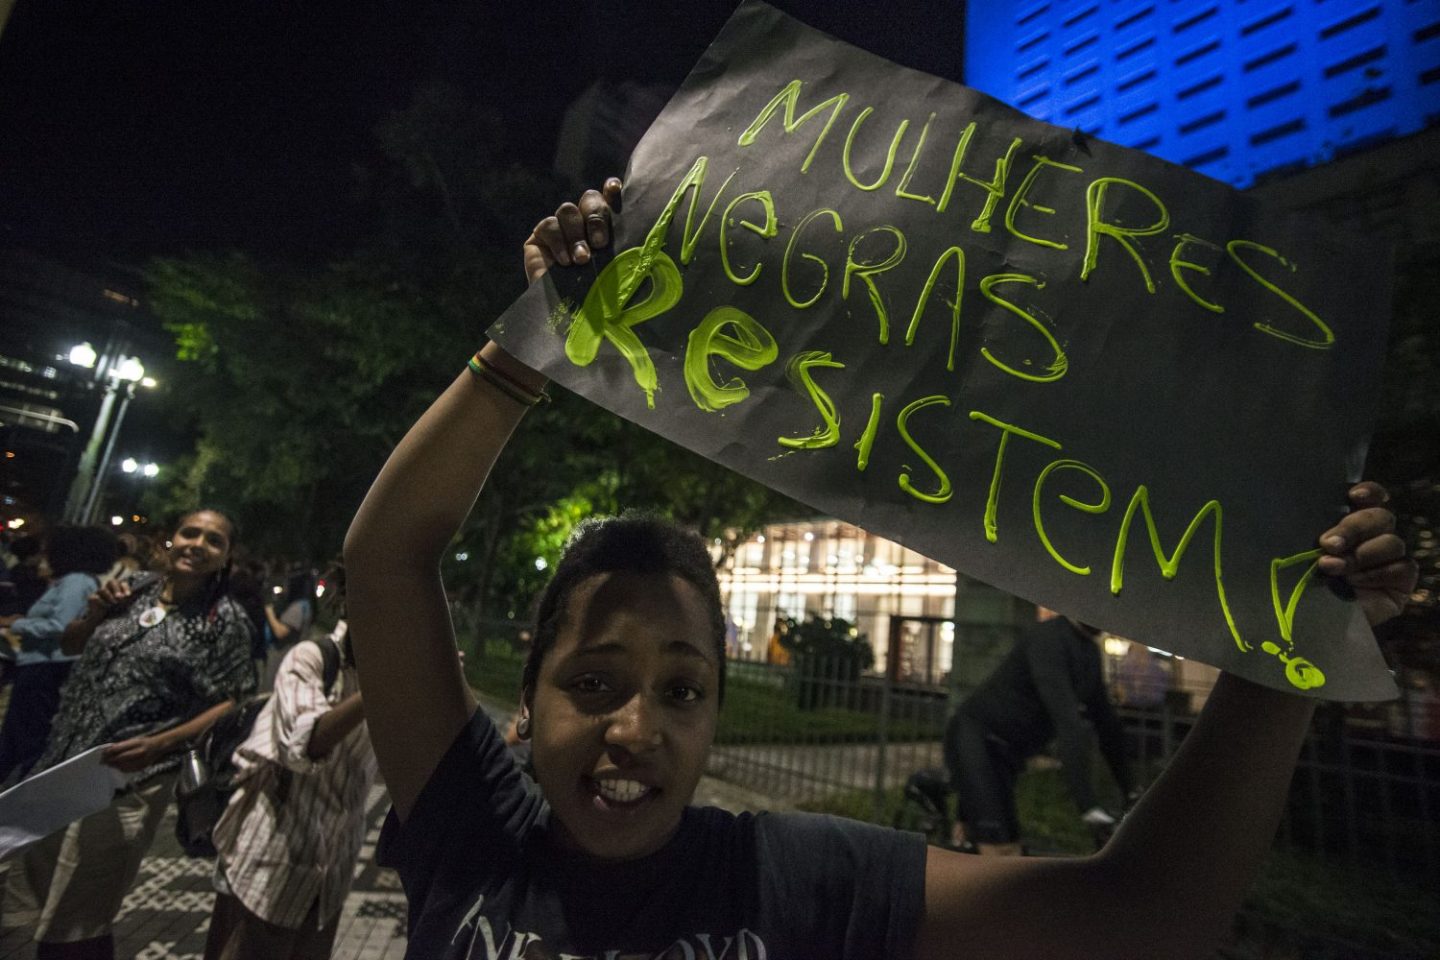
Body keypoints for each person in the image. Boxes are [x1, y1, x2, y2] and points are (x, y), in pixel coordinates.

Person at [343, 181, 1416, 960]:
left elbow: (1144, 914)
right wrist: (535, 340)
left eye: (682, 688)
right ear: (525, 696)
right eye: (593, 681)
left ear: (716, 711)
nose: (636, 729)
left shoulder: (790, 882)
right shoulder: (474, 832)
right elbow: (386, 560)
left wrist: (1288, 654)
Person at [6, 508, 257, 960]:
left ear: (226, 558)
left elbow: (234, 700)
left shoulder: (226, 619)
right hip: (64, 758)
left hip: (130, 776)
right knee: (62, 902)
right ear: (172, 540)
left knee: (70, 919)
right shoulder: (134, 589)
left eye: (213, 541)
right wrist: (97, 612)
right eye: (190, 533)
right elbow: (72, 645)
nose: (198, 544)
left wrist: (158, 744)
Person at [204, 590, 374, 960]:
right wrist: (381, 687)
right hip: (269, 861)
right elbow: (306, 742)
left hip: (332, 872)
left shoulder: (393, 674)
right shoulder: (311, 658)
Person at [943, 617, 1132, 855]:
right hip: (977, 738)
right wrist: (1088, 807)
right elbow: (1067, 721)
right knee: (1001, 849)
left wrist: (1131, 791)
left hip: (1006, 753)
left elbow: (1107, 724)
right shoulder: (1049, 639)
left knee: (1004, 837)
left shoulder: (1089, 652)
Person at [0, 525, 118, 784]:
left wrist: (16, 625)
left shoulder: (76, 582)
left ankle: (22, 797)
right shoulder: (78, 581)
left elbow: (59, 625)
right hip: (42, 665)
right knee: (18, 736)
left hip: (46, 667)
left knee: (27, 735)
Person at [262, 568, 316, 689]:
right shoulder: (306, 605)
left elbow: (280, 632)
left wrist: (269, 612)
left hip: (281, 660)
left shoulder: (297, 607)